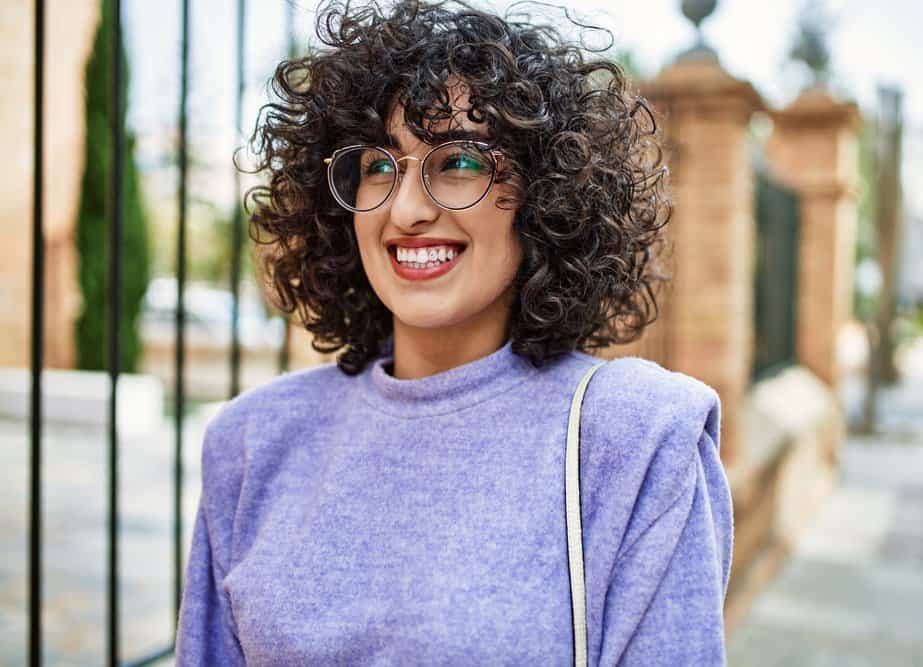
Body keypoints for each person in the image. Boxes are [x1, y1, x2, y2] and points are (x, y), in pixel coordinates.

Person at [175, 0, 733, 664]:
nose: (407, 209)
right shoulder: (252, 443)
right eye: (379, 166)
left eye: (459, 162)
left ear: (543, 195)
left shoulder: (637, 444)